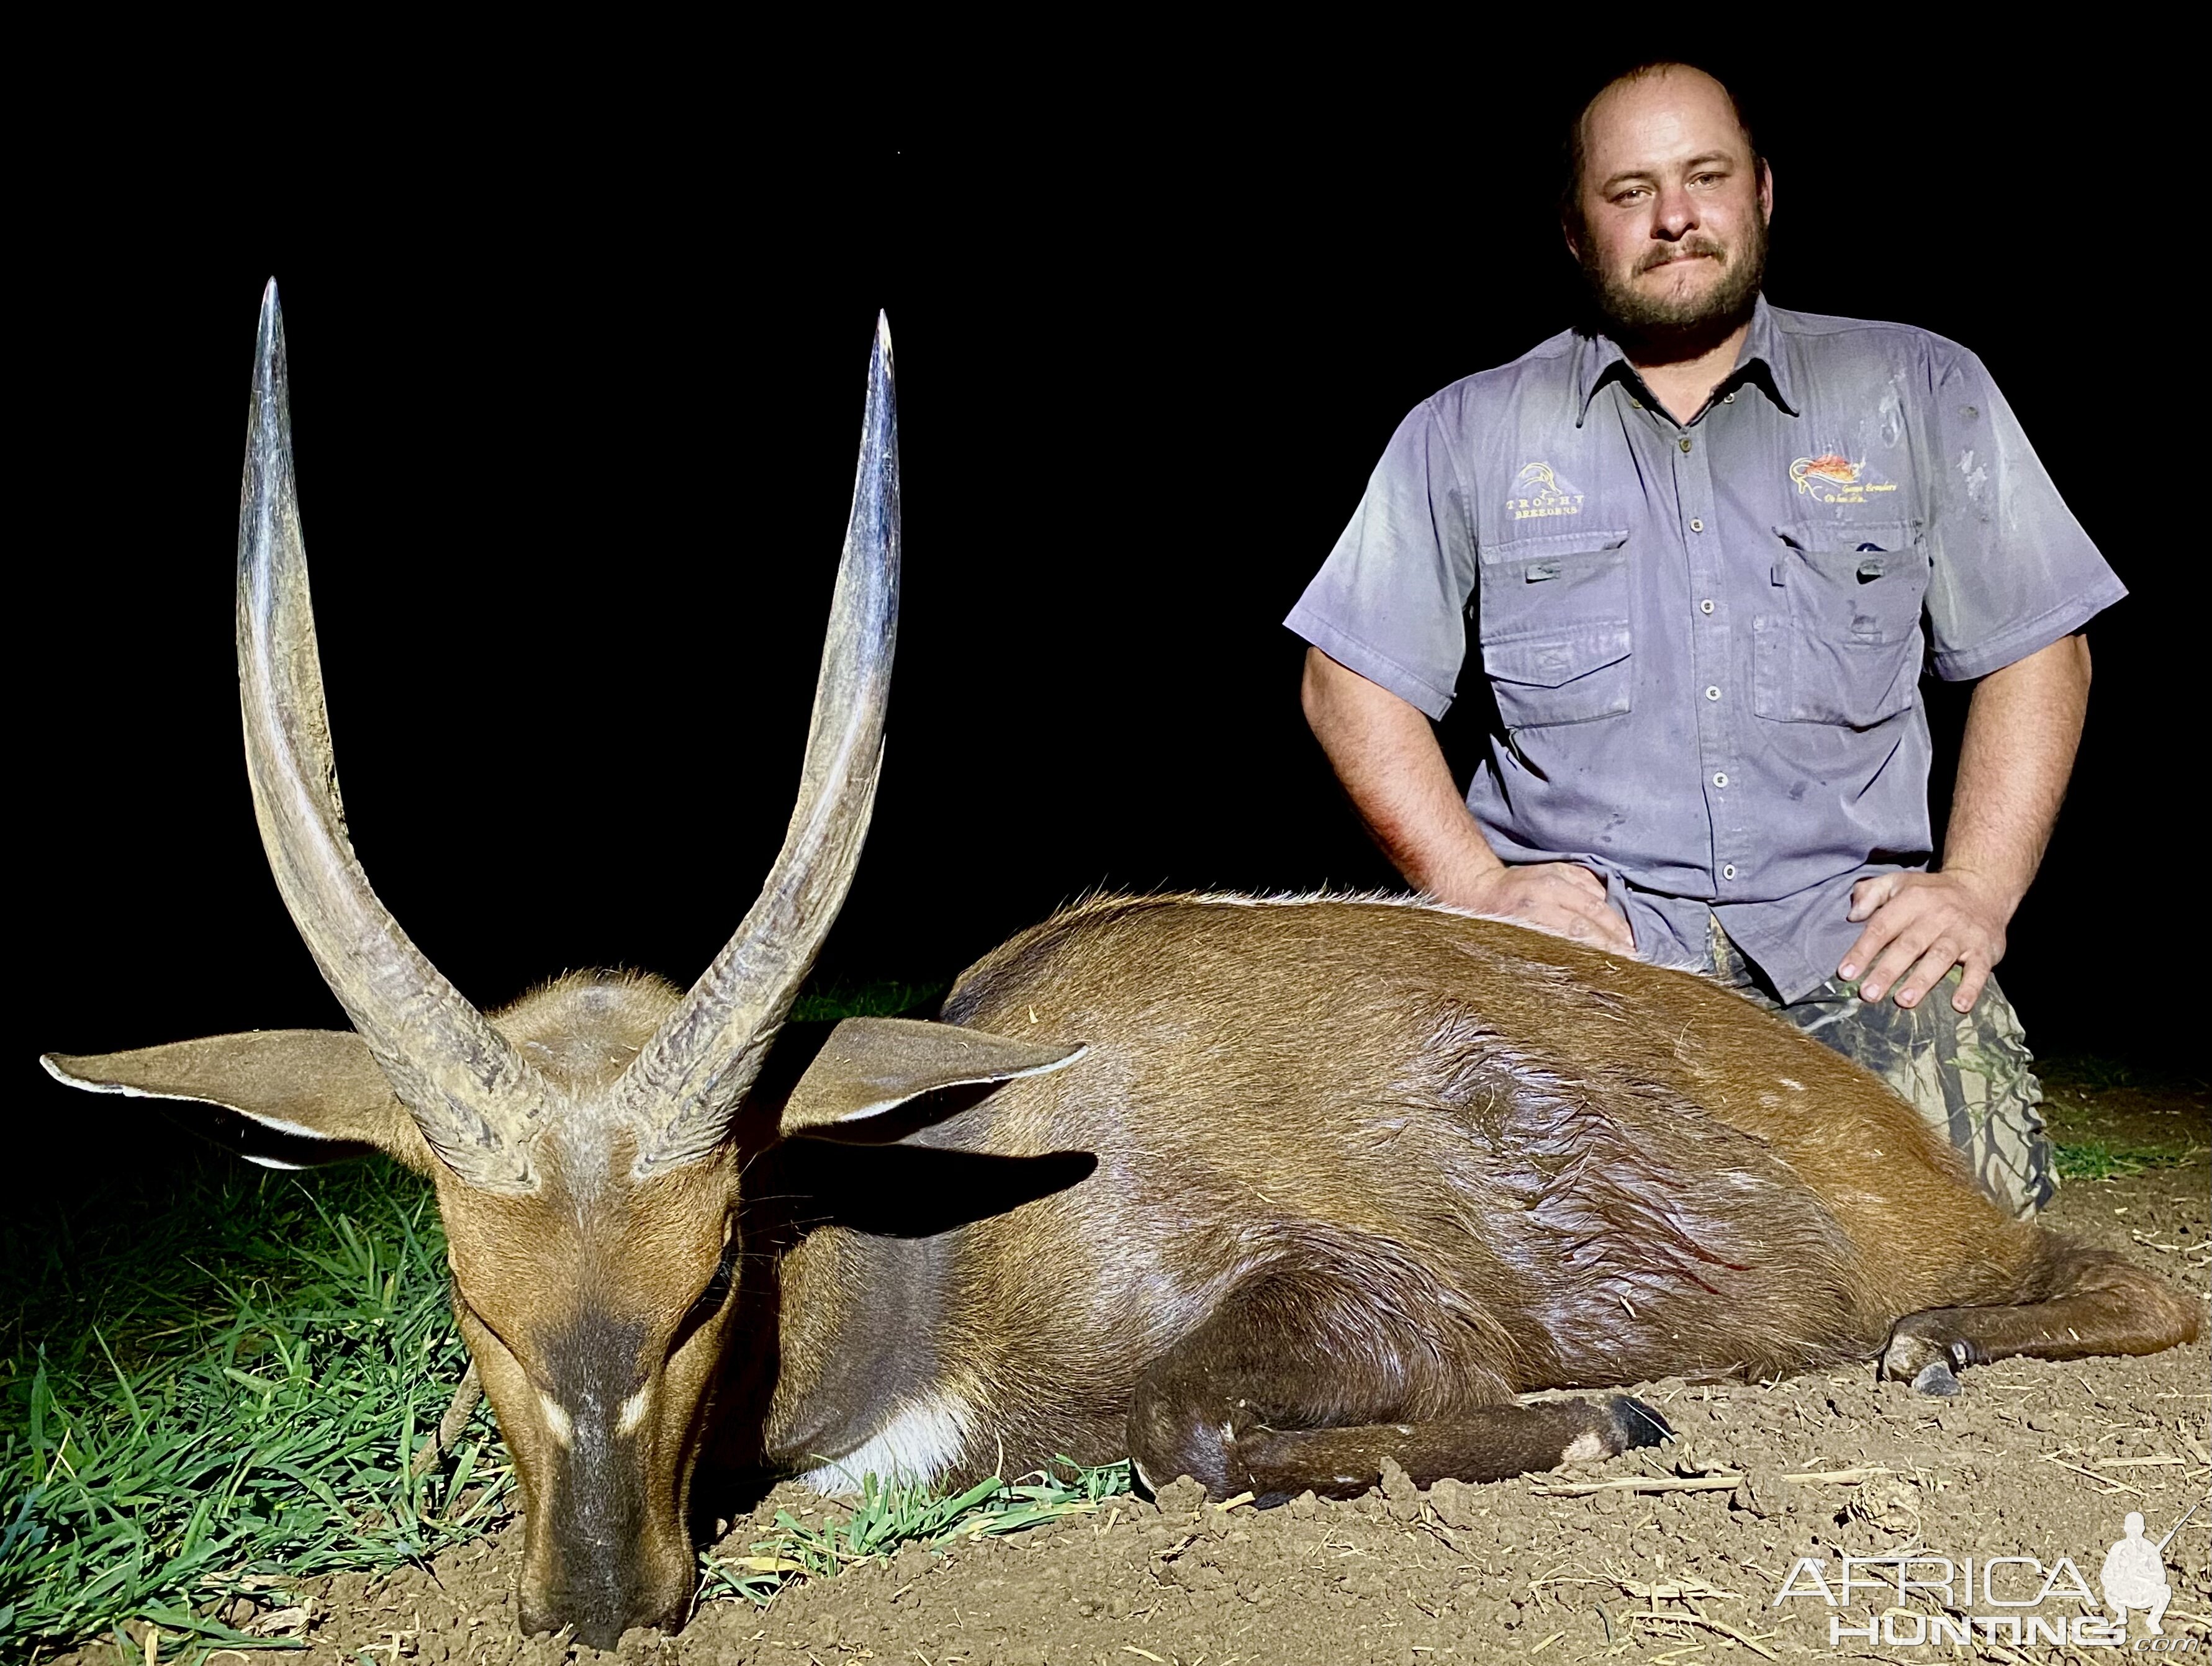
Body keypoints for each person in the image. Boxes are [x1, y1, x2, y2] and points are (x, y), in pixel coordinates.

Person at [1286, 61, 2119, 1217]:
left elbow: (2040, 647)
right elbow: (1349, 679)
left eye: (1704, 177)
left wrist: (1978, 887)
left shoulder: (1918, 386)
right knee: (1500, 1257)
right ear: (1578, 233)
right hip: (1590, 959)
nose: (1674, 217)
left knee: (1966, 1233)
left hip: (1849, 938)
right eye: (1629, 192)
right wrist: (1474, 884)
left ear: (1762, 191)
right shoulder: (1467, 430)